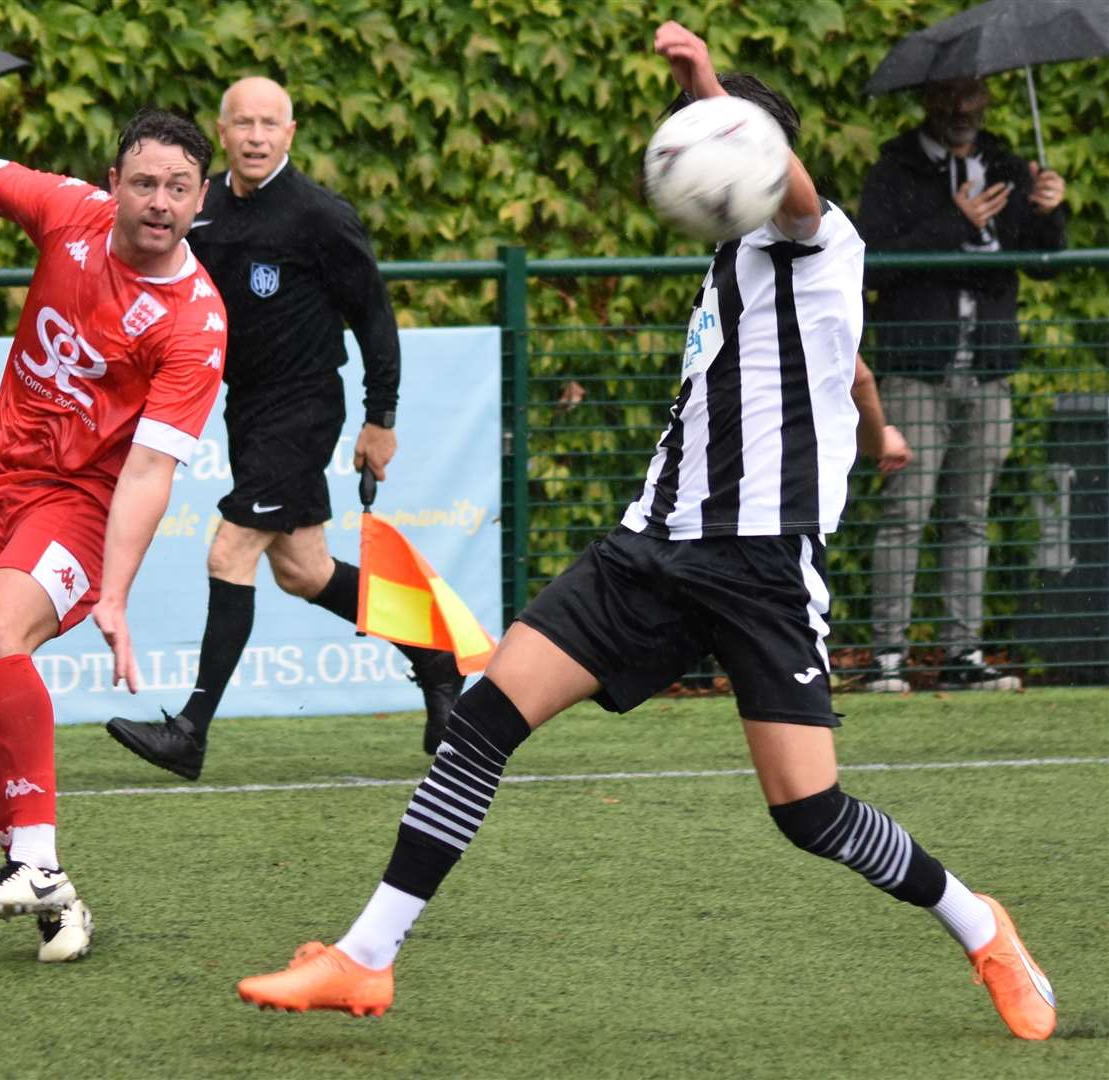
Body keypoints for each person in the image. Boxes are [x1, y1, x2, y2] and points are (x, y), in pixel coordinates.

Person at [233, 23, 1057, 1042]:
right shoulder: (730, 265)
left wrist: (710, 90)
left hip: (758, 565)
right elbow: (839, 369)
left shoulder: (817, 235)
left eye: (709, 139)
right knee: (483, 718)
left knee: (809, 814)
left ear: (751, 152)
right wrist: (876, 430)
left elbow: (793, 205)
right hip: (649, 548)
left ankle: (979, 926)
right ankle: (364, 959)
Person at [0, 57, 227, 962]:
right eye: (145, 182)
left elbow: (149, 473)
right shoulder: (68, 212)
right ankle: (45, 883)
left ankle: (33, 858)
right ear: (113, 185)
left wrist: (114, 595)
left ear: (201, 200)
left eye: (179, 188)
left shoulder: (196, 321)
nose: (159, 200)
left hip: (80, 501)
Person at [103, 76, 463, 779]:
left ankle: (191, 731)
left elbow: (374, 318)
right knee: (305, 571)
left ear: (290, 133)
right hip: (247, 410)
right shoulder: (198, 206)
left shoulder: (319, 216)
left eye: (270, 124)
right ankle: (435, 656)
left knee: (229, 552)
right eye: (243, 123)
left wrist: (379, 418)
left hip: (303, 408)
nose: (257, 136)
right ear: (223, 131)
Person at [858, 76, 1068, 694]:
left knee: (970, 518)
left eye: (973, 98)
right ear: (929, 102)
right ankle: (888, 659)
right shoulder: (894, 171)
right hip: (916, 370)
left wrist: (1052, 213)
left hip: (989, 369)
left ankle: (962, 654)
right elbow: (869, 264)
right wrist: (954, 220)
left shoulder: (1007, 162)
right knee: (906, 514)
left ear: (987, 102)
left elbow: (1040, 261)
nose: (962, 111)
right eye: (951, 99)